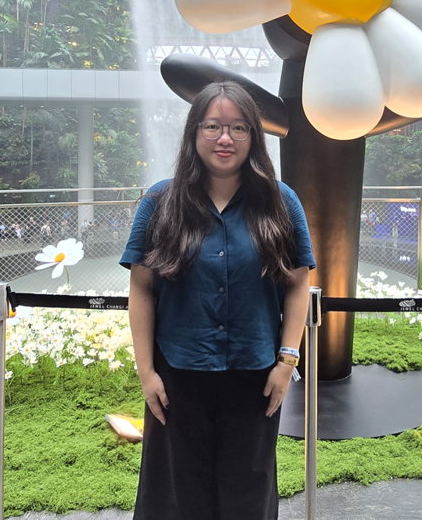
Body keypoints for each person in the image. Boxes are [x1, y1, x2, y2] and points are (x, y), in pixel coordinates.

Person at [120, 81, 315, 520]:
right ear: (194, 132)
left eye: (238, 127)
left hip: (255, 376)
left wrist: (287, 361)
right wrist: (147, 372)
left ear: (253, 136)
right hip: (177, 377)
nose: (225, 138)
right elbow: (142, 289)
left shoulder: (280, 202)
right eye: (212, 126)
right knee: (177, 495)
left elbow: (297, 283)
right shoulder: (160, 201)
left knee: (248, 492)